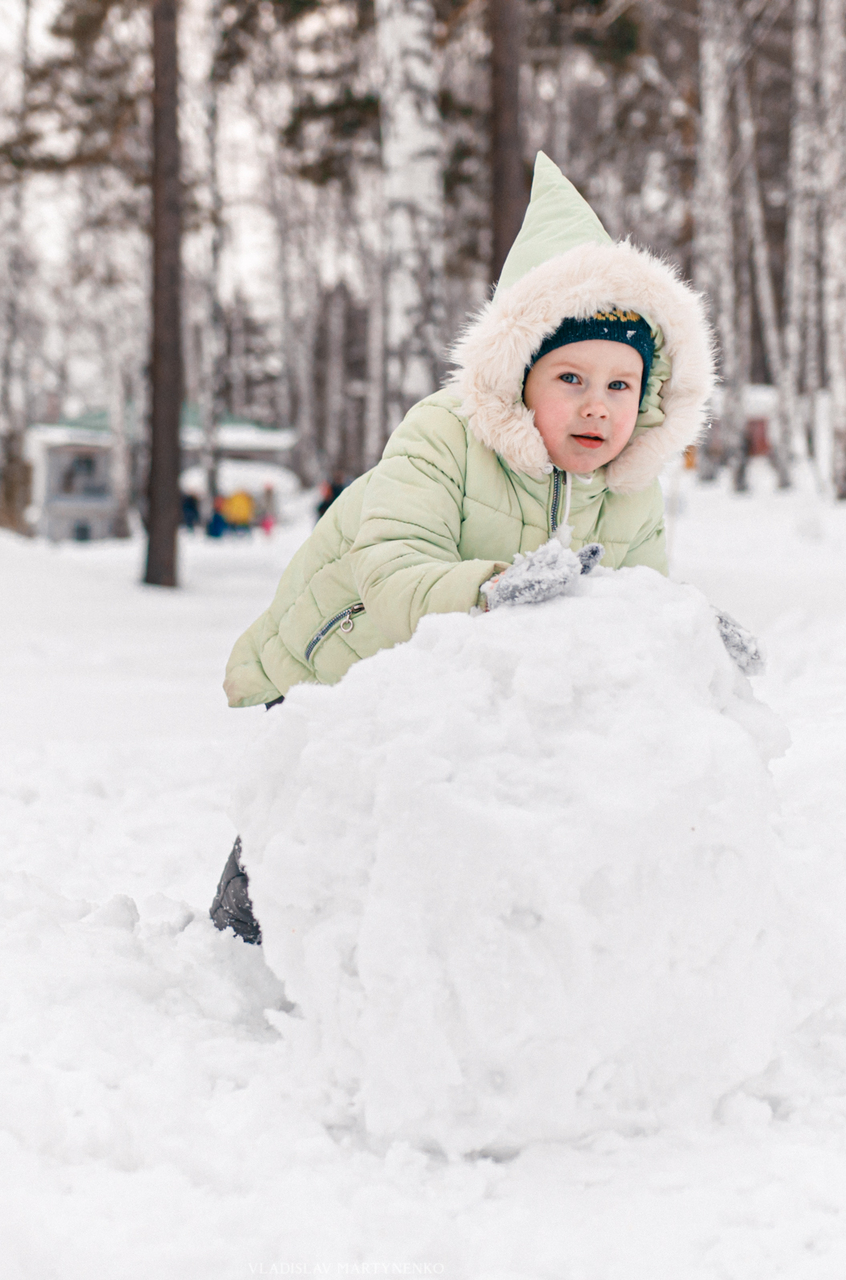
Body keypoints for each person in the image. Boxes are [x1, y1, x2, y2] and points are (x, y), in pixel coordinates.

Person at [209, 153, 716, 944]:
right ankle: (238, 943)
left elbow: (633, 602)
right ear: (520, 377)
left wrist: (691, 642)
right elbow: (391, 572)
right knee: (316, 811)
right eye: (571, 378)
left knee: (438, 807)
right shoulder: (444, 432)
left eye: (621, 386)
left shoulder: (630, 483)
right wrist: (494, 588)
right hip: (342, 660)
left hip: (450, 677)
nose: (597, 406)